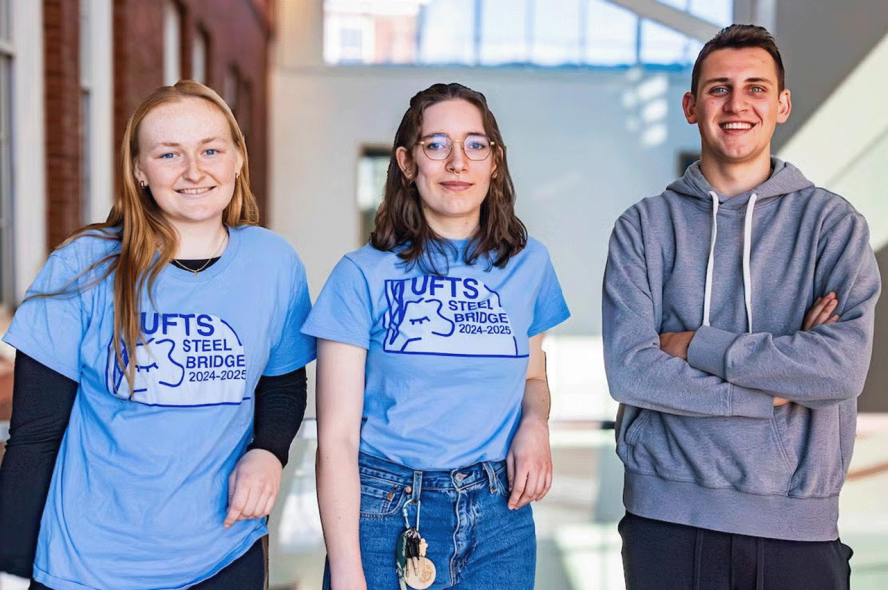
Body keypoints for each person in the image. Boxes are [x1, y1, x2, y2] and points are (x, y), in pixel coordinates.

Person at [0, 80, 315, 590]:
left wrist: (268, 451)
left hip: (224, 554)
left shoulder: (272, 262)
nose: (194, 171)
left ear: (237, 158)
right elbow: (35, 436)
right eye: (169, 154)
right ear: (140, 171)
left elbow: (281, 383)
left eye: (210, 149)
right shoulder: (84, 265)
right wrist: (10, 570)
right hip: (88, 567)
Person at [602, 24, 881, 589]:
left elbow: (841, 369)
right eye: (717, 88)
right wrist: (778, 383)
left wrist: (693, 344)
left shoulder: (832, 225)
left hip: (797, 523)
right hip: (667, 517)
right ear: (690, 105)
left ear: (781, 105)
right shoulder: (644, 228)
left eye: (756, 88)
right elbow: (632, 370)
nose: (737, 105)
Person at [302, 82, 570, 590]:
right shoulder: (360, 275)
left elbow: (534, 377)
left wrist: (536, 423)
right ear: (407, 163)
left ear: (495, 160)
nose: (457, 162)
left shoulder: (529, 264)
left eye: (474, 144)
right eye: (436, 145)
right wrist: (346, 569)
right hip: (387, 513)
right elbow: (335, 440)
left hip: (501, 513)